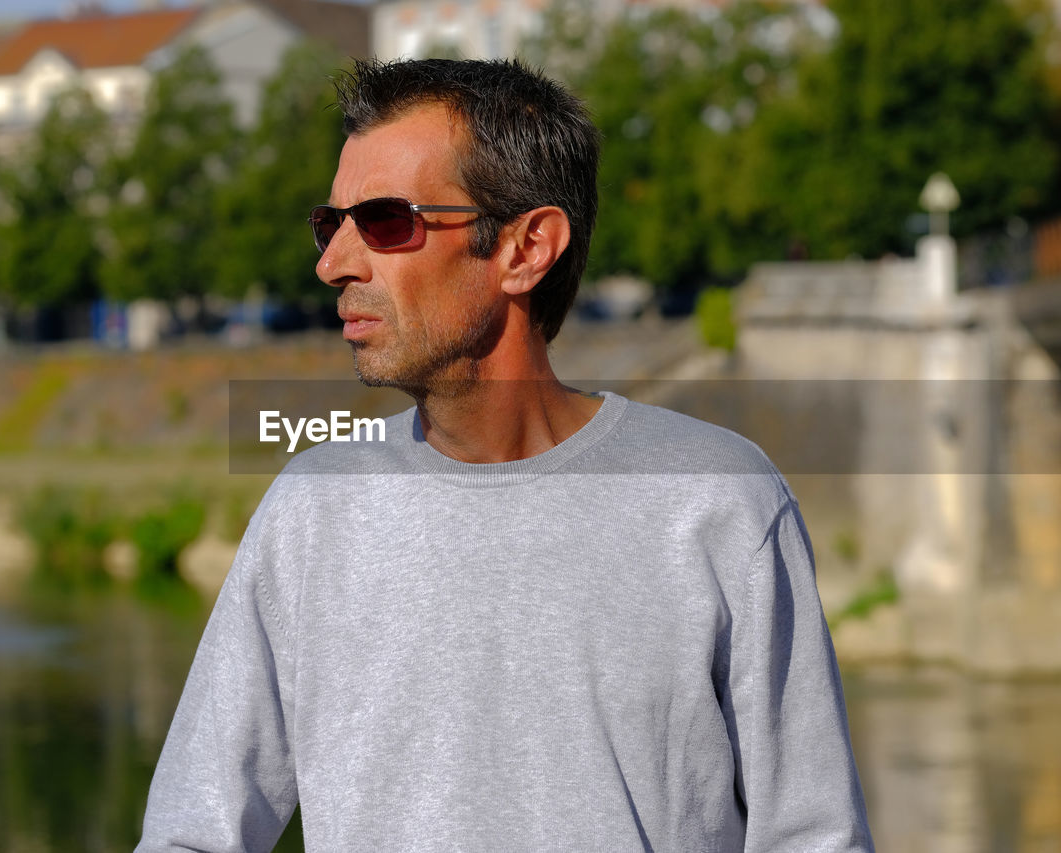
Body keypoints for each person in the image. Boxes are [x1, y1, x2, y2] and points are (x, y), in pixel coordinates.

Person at [137, 58, 873, 852]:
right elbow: (192, 833)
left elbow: (814, 836)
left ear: (527, 247)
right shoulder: (313, 507)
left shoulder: (719, 500)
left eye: (384, 221)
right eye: (332, 224)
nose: (333, 264)